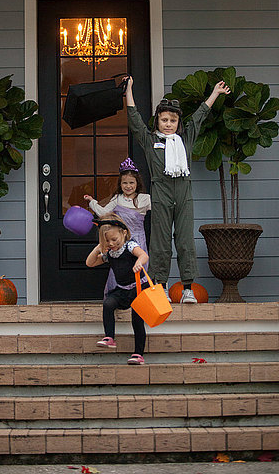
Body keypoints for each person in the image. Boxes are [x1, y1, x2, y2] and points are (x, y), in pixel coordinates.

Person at [125, 76, 230, 303]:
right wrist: (129, 90)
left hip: (184, 194)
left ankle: (188, 289)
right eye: (164, 120)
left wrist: (215, 93)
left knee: (185, 242)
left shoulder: (185, 139)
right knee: (161, 243)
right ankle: (161, 286)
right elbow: (135, 121)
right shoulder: (150, 140)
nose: (169, 124)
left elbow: (200, 117)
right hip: (161, 194)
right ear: (158, 122)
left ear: (178, 122)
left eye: (173, 120)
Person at [85, 213, 149, 365]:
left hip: (139, 289)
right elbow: (90, 263)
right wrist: (99, 247)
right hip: (122, 290)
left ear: (124, 233)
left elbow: (143, 255)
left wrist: (139, 262)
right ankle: (109, 337)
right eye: (107, 241)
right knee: (108, 303)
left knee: (137, 320)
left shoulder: (130, 245)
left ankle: (138, 354)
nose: (111, 243)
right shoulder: (111, 252)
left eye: (114, 239)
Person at [84, 157, 151, 297]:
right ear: (120, 184)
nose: (128, 186)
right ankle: (118, 297)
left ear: (137, 183)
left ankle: (139, 299)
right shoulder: (117, 199)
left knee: (138, 268)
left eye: (131, 182)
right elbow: (103, 212)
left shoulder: (144, 199)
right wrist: (92, 202)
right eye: (124, 183)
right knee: (120, 268)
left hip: (138, 239)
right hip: (121, 241)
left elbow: (160, 209)